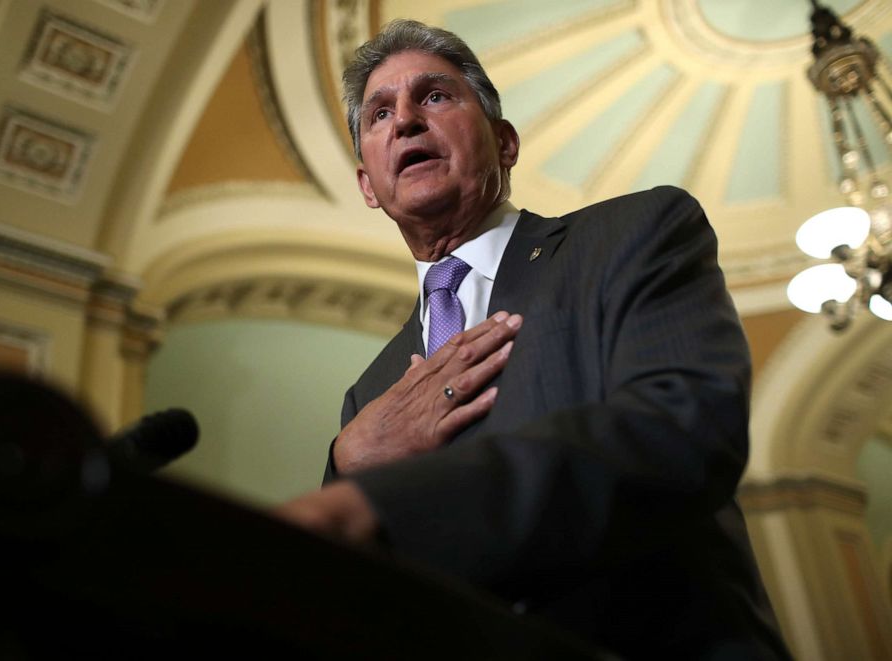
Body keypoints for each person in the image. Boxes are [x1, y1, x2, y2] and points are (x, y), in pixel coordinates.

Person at [276, 19, 790, 659]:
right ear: (366, 187)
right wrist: (345, 465)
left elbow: (684, 428)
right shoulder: (369, 395)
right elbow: (351, 580)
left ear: (504, 141)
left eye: (434, 96)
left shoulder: (633, 234)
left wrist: (390, 506)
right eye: (379, 114)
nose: (405, 120)